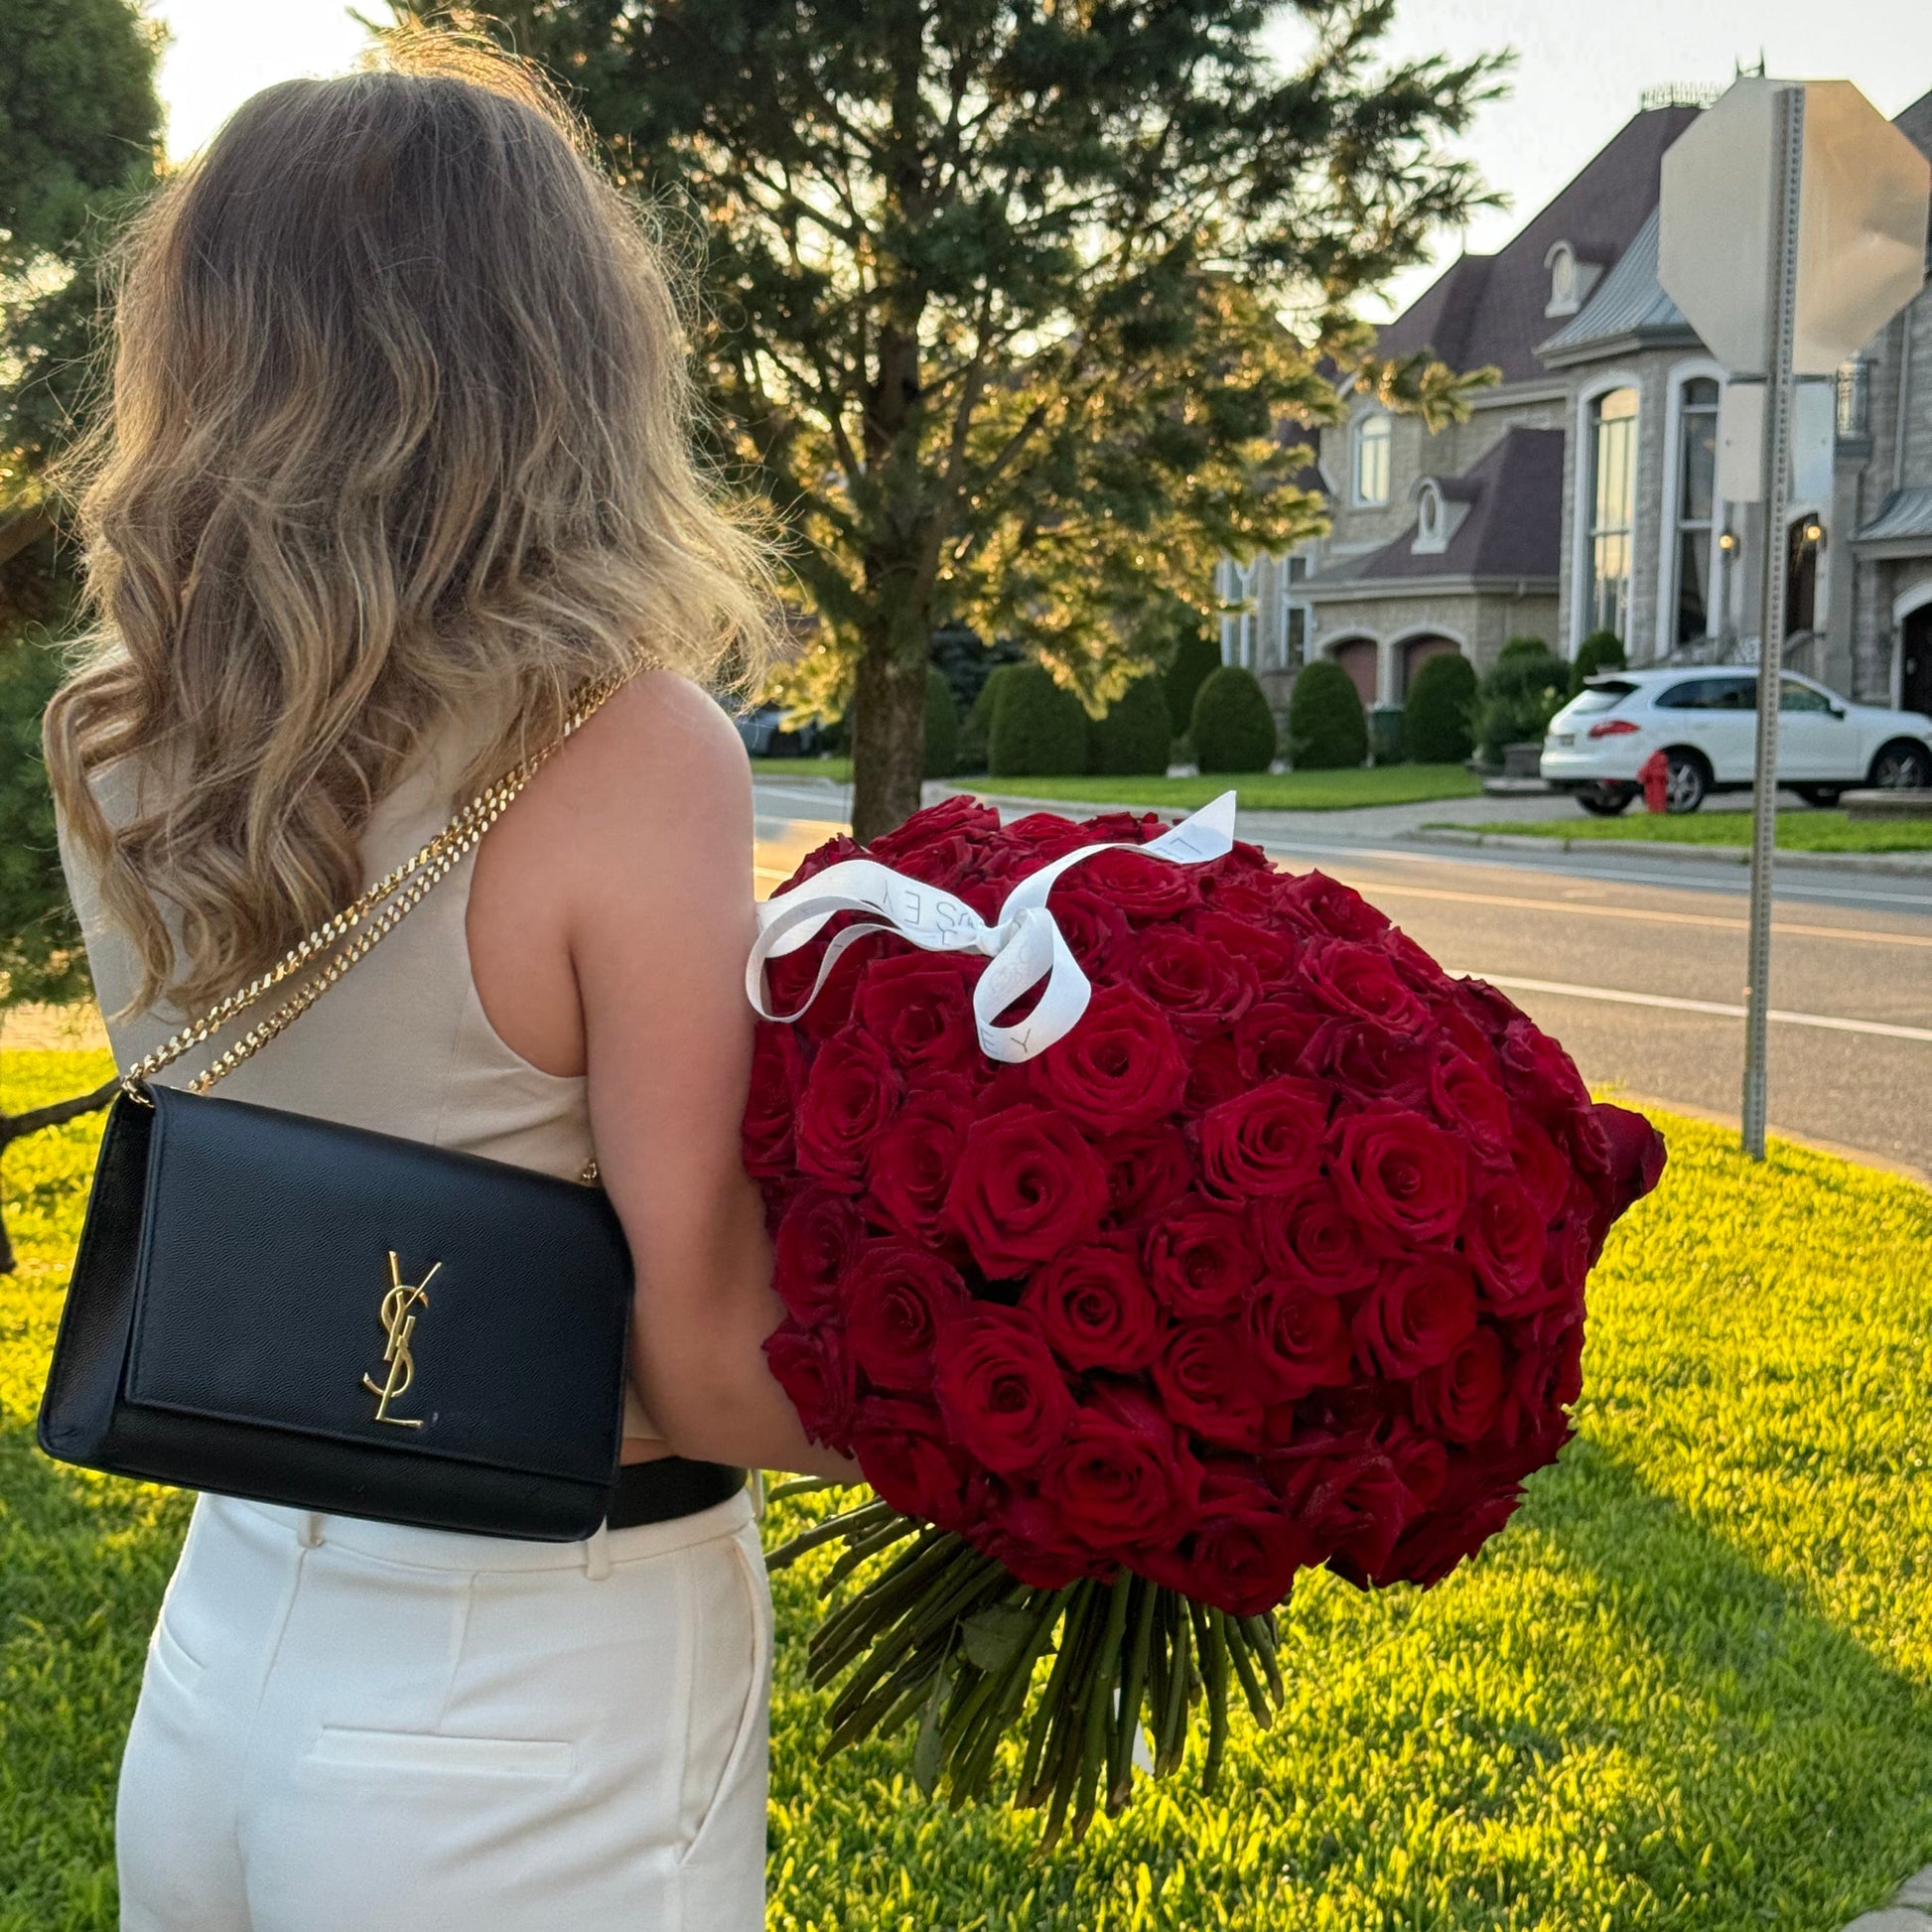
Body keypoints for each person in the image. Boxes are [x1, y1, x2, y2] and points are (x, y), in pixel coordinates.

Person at [43, 35, 852, 1932]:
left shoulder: (114, 732)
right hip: (533, 1692)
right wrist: (1072, 1447)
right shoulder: (628, 749)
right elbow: (702, 1360)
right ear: (564, 350)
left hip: (226, 1645)